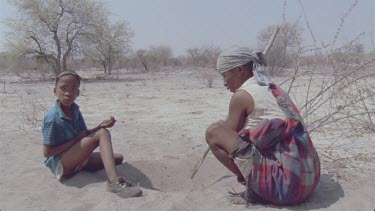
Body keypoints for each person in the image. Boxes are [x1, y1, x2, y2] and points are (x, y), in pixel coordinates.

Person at [205, 46, 320, 206]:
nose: (224, 83)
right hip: (308, 181)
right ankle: (262, 185)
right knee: (224, 130)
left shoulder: (242, 95)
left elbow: (229, 135)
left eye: (225, 75)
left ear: (240, 70)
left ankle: (257, 192)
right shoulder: (273, 88)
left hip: (287, 189)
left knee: (214, 132)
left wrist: (222, 125)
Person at [42, 71, 142, 199]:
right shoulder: (53, 117)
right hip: (62, 165)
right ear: (55, 91)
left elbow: (84, 135)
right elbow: (47, 153)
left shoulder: (74, 110)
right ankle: (114, 182)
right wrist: (76, 140)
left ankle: (83, 167)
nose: (67, 93)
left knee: (118, 158)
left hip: (74, 157)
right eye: (63, 88)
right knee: (102, 134)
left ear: (78, 93)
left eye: (73, 89)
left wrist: (99, 126)